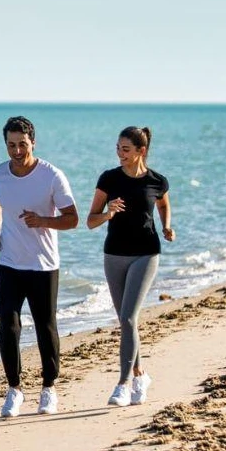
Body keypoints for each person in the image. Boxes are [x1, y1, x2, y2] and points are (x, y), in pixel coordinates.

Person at [0, 116, 79, 417]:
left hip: (43, 265)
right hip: (9, 264)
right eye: (11, 145)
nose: (17, 151)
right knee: (8, 327)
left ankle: (49, 388)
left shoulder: (51, 176)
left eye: (22, 144)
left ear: (33, 143)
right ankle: (14, 389)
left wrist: (43, 221)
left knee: (45, 326)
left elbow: (72, 219)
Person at [86, 126, 174, 407]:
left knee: (127, 319)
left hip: (146, 253)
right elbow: (90, 220)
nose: (120, 154)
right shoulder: (109, 179)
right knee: (126, 322)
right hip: (114, 254)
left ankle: (122, 385)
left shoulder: (157, 181)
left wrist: (167, 226)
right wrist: (108, 212)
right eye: (118, 148)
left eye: (125, 149)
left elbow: (163, 206)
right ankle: (140, 375)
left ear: (141, 151)